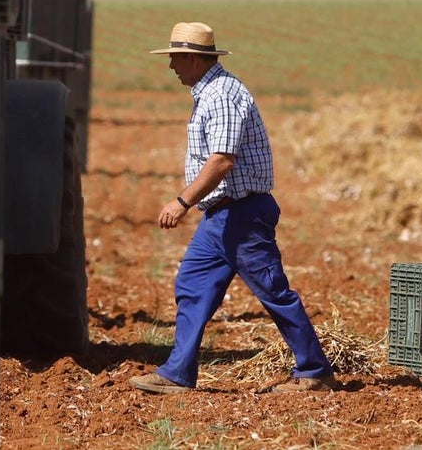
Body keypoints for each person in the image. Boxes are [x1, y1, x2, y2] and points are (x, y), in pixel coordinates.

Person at [129, 22, 336, 394]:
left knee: (273, 292)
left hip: (241, 213)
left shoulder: (221, 95)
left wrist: (181, 202)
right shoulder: (208, 93)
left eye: (175, 58)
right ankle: (177, 373)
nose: (171, 66)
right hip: (221, 216)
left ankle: (314, 370)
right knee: (192, 284)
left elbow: (222, 160)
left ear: (194, 59)